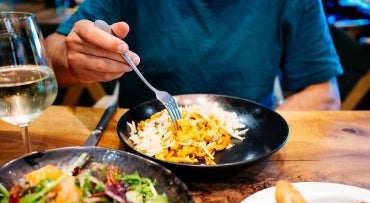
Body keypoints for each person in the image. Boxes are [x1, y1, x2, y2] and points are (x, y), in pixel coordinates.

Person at [45, 0, 343, 110]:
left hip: (249, 150)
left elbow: (325, 94)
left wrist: (264, 133)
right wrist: (72, 58)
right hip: (140, 146)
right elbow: (52, 56)